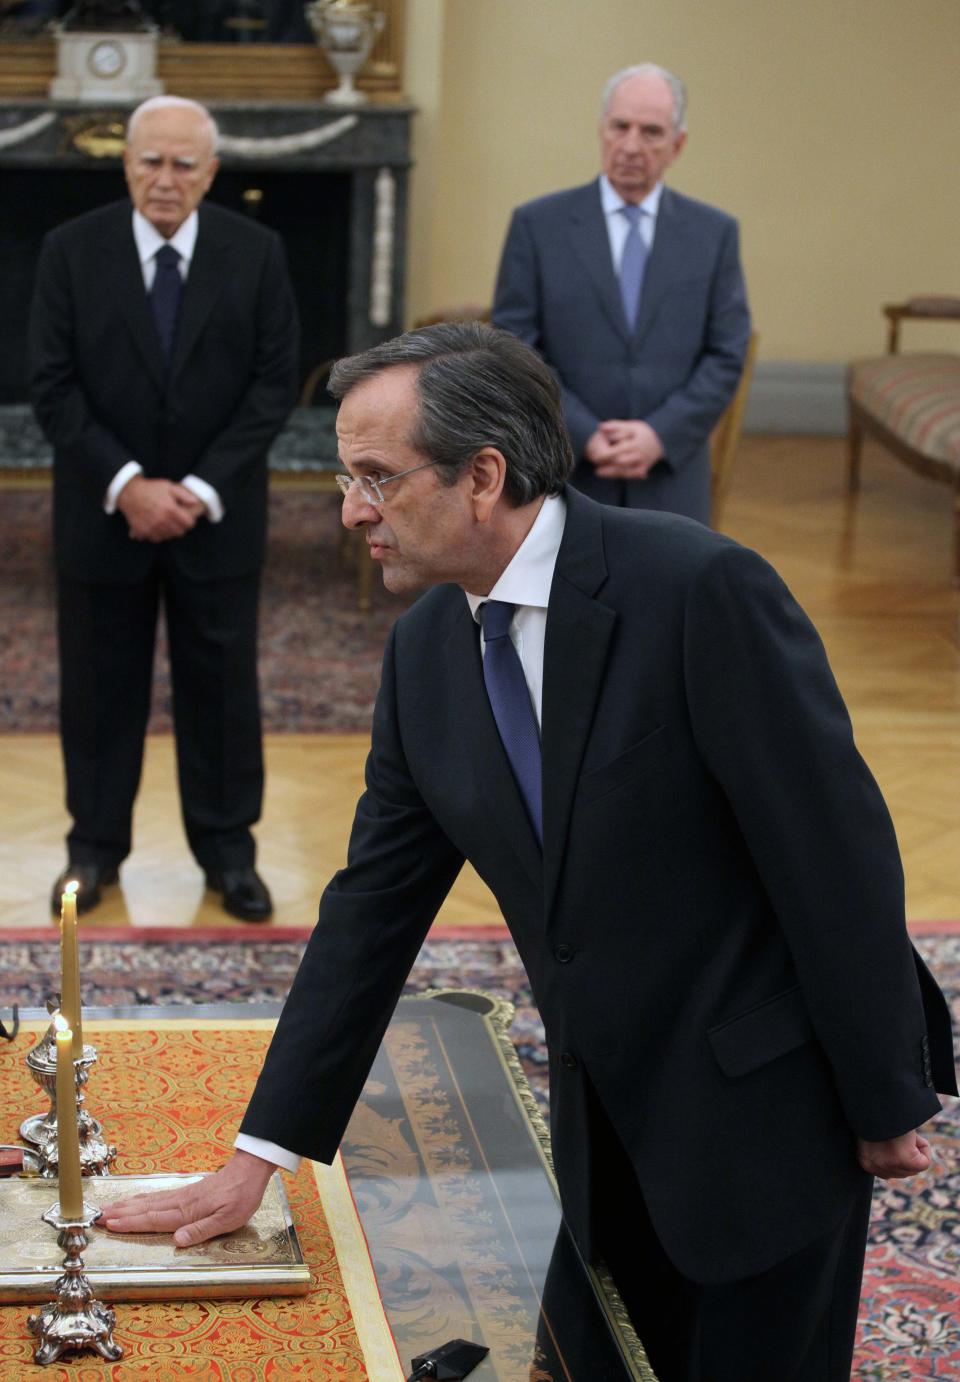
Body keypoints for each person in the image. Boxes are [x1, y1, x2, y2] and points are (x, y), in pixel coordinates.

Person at [100, 324, 956, 1382]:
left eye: (375, 476)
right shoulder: (424, 655)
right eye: (343, 476)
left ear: (483, 476)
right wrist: (257, 1159)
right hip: (602, 1115)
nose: (351, 509)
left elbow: (835, 855)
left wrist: (885, 1096)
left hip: (767, 1114)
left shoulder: (698, 590)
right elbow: (371, 910)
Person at [29, 95, 298, 922]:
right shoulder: (71, 251)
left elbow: (273, 384)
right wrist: (129, 486)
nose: (167, 180)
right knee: (100, 689)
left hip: (216, 520)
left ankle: (229, 858)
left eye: (185, 164)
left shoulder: (257, 253)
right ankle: (93, 850)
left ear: (211, 172)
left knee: (221, 691)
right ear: (126, 163)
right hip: (104, 516)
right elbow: (51, 384)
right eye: (152, 161)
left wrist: (198, 490)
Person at [492, 63, 751, 525]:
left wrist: (659, 434)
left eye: (651, 132)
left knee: (666, 598)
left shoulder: (714, 234)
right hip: (562, 473)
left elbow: (726, 353)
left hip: (669, 479)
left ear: (678, 144)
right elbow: (515, 349)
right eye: (620, 127)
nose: (631, 146)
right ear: (602, 130)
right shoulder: (537, 226)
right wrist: (584, 431)